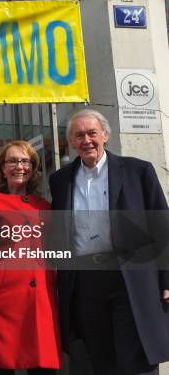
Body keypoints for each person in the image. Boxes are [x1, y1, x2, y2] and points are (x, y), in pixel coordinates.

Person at [49, 108, 169, 375]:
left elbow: (162, 227)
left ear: (105, 135)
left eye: (92, 133)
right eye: (79, 135)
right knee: (98, 357)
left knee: (135, 357)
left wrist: (166, 280)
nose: (87, 140)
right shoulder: (60, 180)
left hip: (129, 276)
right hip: (86, 281)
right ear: (70, 142)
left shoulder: (138, 171)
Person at [0, 140, 61, 375]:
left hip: (41, 299)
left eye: (25, 161)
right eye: (12, 161)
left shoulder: (45, 206)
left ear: (33, 167)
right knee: (0, 365)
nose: (19, 166)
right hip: (2, 301)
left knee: (42, 366)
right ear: (2, 167)